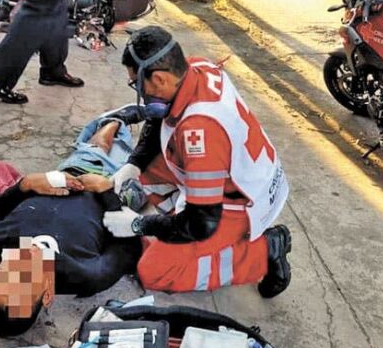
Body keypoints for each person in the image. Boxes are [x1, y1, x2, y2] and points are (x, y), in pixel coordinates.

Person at [102, 27, 293, 298]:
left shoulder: (200, 132)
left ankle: (264, 251)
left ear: (158, 79)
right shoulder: (194, 67)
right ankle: (177, 218)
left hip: (239, 201)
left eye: (137, 84)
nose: (139, 92)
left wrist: (141, 225)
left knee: (155, 270)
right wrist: (134, 163)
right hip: (244, 172)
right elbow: (160, 118)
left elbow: (200, 223)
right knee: (147, 171)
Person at [0, 116, 144, 337]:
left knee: (93, 149)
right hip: (110, 189)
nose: (22, 258)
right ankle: (117, 128)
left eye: (3, 271)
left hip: (67, 175)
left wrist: (26, 185)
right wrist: (107, 192)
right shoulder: (86, 275)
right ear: (47, 294)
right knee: (146, 166)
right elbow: (128, 247)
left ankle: (113, 124)